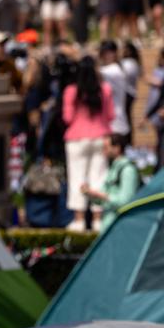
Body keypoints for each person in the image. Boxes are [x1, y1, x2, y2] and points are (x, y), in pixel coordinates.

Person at [62, 55, 113, 231]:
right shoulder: (104, 89)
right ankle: (98, 219)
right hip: (100, 136)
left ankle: (79, 220)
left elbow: (67, 118)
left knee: (77, 178)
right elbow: (110, 116)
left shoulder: (71, 91)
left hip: (76, 138)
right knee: (98, 178)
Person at [82, 133, 139, 231]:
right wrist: (90, 194)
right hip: (108, 225)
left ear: (117, 148)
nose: (103, 150)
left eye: (106, 147)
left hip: (121, 227)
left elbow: (126, 201)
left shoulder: (128, 170)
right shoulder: (113, 168)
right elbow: (102, 200)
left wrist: (102, 196)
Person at [99, 40, 130, 137]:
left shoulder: (114, 70)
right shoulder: (109, 69)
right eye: (104, 53)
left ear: (115, 53)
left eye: (110, 52)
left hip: (116, 124)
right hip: (112, 122)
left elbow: (92, 72)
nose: (107, 55)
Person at [121, 41, 142, 135]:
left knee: (126, 117)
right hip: (130, 92)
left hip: (128, 93)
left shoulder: (129, 63)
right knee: (127, 116)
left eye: (124, 49)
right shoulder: (134, 63)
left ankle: (127, 137)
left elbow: (123, 75)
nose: (122, 51)